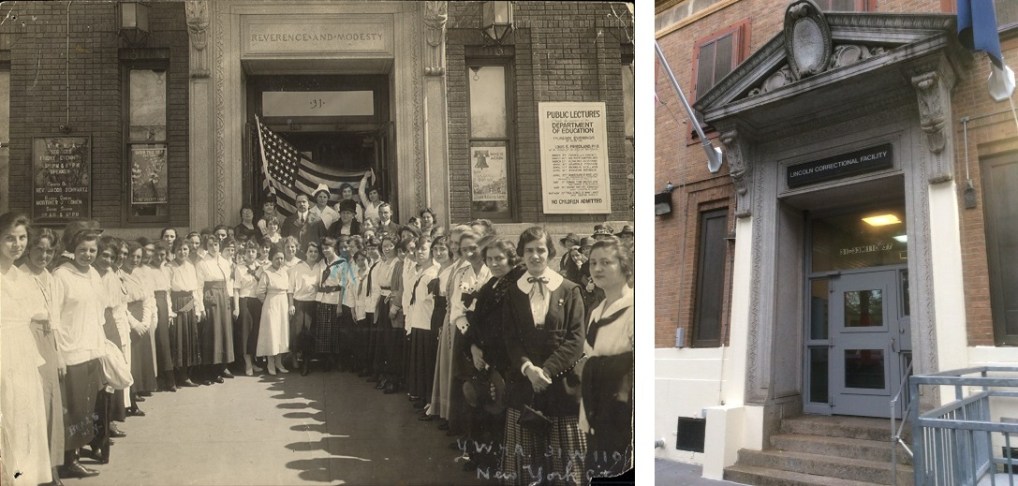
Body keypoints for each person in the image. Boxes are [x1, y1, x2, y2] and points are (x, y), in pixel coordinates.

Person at [501, 226, 586, 485]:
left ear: (549, 253)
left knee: (565, 465)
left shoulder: (569, 289)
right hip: (524, 384)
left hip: (560, 384)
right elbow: (510, 338)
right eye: (529, 251)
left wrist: (546, 371)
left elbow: (575, 339)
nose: (535, 256)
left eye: (541, 250)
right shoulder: (513, 291)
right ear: (521, 254)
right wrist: (528, 369)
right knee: (527, 465)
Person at [461, 237, 525, 471]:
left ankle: (500, 463)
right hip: (485, 357)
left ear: (510, 257)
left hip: (505, 359)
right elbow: (476, 320)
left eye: (499, 258)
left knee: (500, 411)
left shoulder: (518, 283)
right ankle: (482, 458)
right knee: (483, 408)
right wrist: (474, 347)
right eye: (490, 259)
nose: (494, 263)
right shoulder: (491, 285)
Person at [0, 213, 54, 485]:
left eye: (21, 238)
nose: (17, 244)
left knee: (23, 417)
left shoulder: (21, 277)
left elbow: (39, 313)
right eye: (9, 238)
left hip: (22, 352)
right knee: (5, 416)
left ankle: (22, 478)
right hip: (1, 353)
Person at [50, 220, 106, 479]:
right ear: (74, 248)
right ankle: (67, 461)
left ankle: (76, 455)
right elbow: (54, 319)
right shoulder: (61, 275)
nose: (88, 255)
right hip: (71, 352)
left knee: (86, 407)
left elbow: (98, 314)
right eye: (83, 250)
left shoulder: (94, 274)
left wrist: (101, 346)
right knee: (72, 409)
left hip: (92, 349)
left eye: (92, 251)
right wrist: (59, 354)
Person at [577, 237, 634, 478]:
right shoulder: (596, 311)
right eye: (592, 263)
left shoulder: (634, 307)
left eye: (606, 262)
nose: (597, 269)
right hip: (594, 404)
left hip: (620, 408)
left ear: (624, 266)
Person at [17, 225, 67, 482]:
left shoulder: (49, 276)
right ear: (28, 249)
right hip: (26, 339)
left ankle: (52, 466)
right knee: (31, 404)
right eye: (39, 249)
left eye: (49, 251)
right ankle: (32, 469)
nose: (44, 256)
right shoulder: (19, 276)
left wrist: (58, 354)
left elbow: (55, 317)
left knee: (50, 403)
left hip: (48, 341)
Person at [446, 229, 491, 437]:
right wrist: (468, 334)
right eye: (464, 250)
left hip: (489, 334)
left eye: (473, 248)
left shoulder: (491, 271)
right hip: (466, 332)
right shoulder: (462, 274)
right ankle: (467, 438)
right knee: (465, 383)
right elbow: (456, 307)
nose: (470, 253)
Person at [427, 225, 470, 426]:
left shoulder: (468, 266)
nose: (454, 247)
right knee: (446, 366)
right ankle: (447, 414)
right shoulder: (454, 266)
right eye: (451, 243)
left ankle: (457, 420)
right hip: (450, 319)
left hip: (462, 322)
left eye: (457, 243)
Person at [195, 234, 235, 383]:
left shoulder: (224, 262)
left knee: (223, 333)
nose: (214, 247)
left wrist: (229, 299)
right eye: (210, 245)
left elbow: (228, 282)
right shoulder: (201, 263)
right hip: (211, 296)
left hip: (223, 297)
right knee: (212, 334)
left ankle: (220, 367)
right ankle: (209, 371)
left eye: (216, 244)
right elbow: (199, 286)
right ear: (206, 246)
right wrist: (200, 308)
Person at [122, 241, 157, 410]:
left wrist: (145, 321)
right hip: (128, 319)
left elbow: (147, 299)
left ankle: (136, 392)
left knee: (140, 360)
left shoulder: (141, 274)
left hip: (141, 317)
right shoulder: (119, 274)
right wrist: (135, 324)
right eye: (131, 256)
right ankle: (129, 399)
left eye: (138, 257)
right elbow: (120, 305)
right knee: (131, 360)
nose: (134, 260)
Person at [406, 236, 439, 407]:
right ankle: (423, 398)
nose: (419, 252)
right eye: (417, 249)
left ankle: (430, 402)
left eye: (423, 249)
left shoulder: (434, 273)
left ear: (432, 252)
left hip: (428, 326)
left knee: (428, 366)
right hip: (418, 324)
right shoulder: (420, 272)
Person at [382, 236, 417, 394]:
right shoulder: (399, 265)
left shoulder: (413, 266)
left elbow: (406, 289)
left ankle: (403, 380)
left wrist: (395, 306)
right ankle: (394, 380)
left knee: (405, 346)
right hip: (397, 308)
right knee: (395, 345)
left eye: (410, 250)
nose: (406, 254)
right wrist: (394, 303)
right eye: (403, 251)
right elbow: (396, 287)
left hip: (406, 309)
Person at [167, 238, 203, 387]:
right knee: (177, 339)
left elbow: (195, 289)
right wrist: (170, 311)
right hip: (177, 304)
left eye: (185, 249)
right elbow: (167, 291)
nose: (182, 252)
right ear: (174, 251)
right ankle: (175, 376)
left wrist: (198, 308)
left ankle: (186, 375)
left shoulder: (190, 266)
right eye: (179, 249)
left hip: (189, 304)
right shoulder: (169, 267)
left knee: (188, 339)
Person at [311, 236, 347, 373]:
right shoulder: (321, 263)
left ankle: (336, 360)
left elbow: (343, 286)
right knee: (323, 332)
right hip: (322, 299)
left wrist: (339, 305)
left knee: (335, 332)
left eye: (328, 248)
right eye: (323, 248)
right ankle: (325, 360)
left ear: (334, 248)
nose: (325, 250)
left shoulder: (342, 263)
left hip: (334, 300)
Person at [256, 246, 294, 375]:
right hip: (271, 304)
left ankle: (279, 362)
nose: (279, 261)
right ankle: (270, 363)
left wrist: (289, 305)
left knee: (281, 333)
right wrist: (268, 303)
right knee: (272, 333)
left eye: (282, 258)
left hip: (283, 303)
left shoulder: (285, 271)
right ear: (271, 259)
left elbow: (289, 289)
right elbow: (260, 292)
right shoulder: (267, 273)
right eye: (277, 258)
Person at [368, 234, 399, 383]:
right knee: (381, 338)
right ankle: (381, 373)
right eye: (384, 246)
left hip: (392, 301)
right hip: (382, 300)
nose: (387, 249)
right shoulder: (382, 263)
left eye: (390, 246)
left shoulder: (398, 263)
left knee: (391, 339)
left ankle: (392, 376)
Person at [148, 242, 178, 391]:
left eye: (162, 255)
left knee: (165, 341)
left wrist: (170, 312)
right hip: (153, 303)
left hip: (164, 304)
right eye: (156, 254)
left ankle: (169, 378)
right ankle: (156, 379)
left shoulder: (167, 270)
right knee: (155, 341)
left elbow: (167, 293)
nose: (159, 258)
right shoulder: (148, 270)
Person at [289, 241, 320, 375]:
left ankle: (306, 363)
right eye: (310, 251)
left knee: (309, 334)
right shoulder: (298, 267)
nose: (313, 254)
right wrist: (291, 304)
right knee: (296, 333)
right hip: (299, 303)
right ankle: (294, 356)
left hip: (313, 304)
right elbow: (290, 289)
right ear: (306, 253)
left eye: (315, 251)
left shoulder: (320, 267)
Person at [234, 240, 264, 376]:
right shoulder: (239, 268)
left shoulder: (261, 267)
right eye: (248, 251)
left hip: (257, 301)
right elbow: (236, 289)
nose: (251, 254)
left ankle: (253, 361)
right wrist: (236, 308)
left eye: (253, 251)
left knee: (255, 331)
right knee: (246, 331)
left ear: (257, 253)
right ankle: (247, 363)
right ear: (244, 253)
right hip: (244, 300)